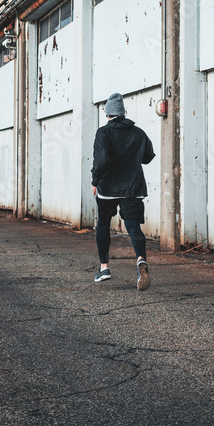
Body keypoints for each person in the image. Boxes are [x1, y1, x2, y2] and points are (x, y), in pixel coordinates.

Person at [91, 92, 155, 290]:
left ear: (107, 113)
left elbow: (101, 160)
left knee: (103, 224)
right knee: (133, 226)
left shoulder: (103, 133)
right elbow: (148, 156)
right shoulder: (138, 132)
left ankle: (104, 268)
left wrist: (95, 180)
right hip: (133, 187)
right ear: (123, 112)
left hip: (108, 188)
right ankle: (141, 260)